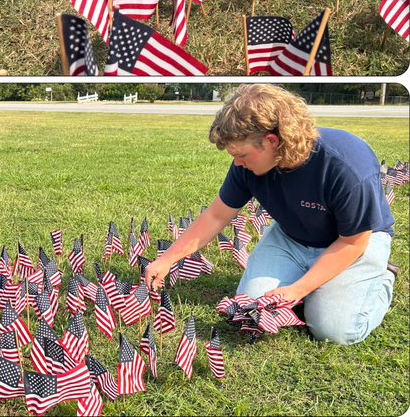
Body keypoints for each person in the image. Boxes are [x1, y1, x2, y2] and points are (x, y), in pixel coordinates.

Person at [144, 85, 397, 345]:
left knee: (334, 331)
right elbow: (216, 216)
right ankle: (315, 289)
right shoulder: (245, 167)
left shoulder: (345, 166)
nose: (238, 163)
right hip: (292, 238)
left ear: (272, 141)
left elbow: (352, 242)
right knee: (251, 308)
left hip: (354, 241)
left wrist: (299, 290)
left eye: (242, 155)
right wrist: (168, 259)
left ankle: (381, 279)